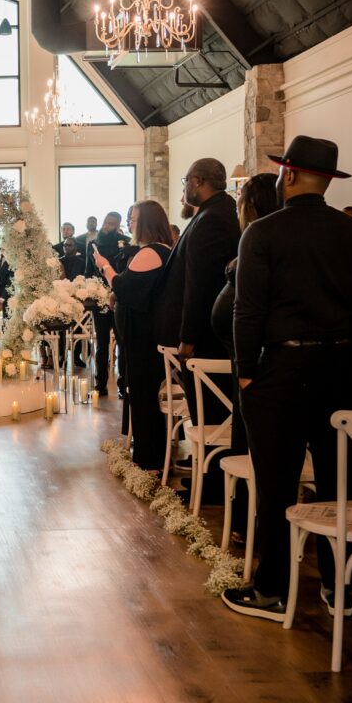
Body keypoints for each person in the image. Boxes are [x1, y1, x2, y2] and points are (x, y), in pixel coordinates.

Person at [222, 137, 352, 620]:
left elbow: (247, 313)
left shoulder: (263, 234)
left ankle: (272, 589)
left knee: (277, 482)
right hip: (339, 369)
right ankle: (341, 588)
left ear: (287, 175)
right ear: (327, 181)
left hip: (281, 371)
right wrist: (345, 355)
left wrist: (246, 374)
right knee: (339, 479)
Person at [210, 173, 280, 533]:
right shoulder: (251, 243)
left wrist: (248, 369)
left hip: (255, 369)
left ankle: (252, 527)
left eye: (240, 203)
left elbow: (252, 313)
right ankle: (243, 522)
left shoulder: (261, 244)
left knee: (259, 453)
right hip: (243, 364)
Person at [155, 158, 240, 424]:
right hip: (205, 332)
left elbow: (200, 283)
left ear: (198, 181)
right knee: (204, 409)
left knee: (209, 411)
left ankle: (209, 464)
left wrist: (188, 337)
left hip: (205, 338)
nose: (185, 187)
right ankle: (203, 459)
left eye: (186, 180)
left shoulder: (212, 218)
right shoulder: (212, 212)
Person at [96, 200, 173, 471]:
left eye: (134, 218)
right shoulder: (158, 250)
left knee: (144, 395)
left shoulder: (151, 252)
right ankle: (148, 455)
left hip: (144, 336)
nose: (130, 223)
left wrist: (105, 267)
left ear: (148, 222)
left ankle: (149, 459)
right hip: (141, 335)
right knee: (141, 393)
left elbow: (127, 288)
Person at [85, 211, 129, 395]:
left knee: (122, 343)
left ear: (118, 226)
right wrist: (92, 290)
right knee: (101, 344)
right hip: (100, 301)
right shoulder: (93, 245)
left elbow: (128, 270)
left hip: (120, 299)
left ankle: (123, 386)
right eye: (106, 222)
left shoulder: (126, 243)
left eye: (112, 224)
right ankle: (100, 384)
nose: (106, 226)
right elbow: (88, 271)